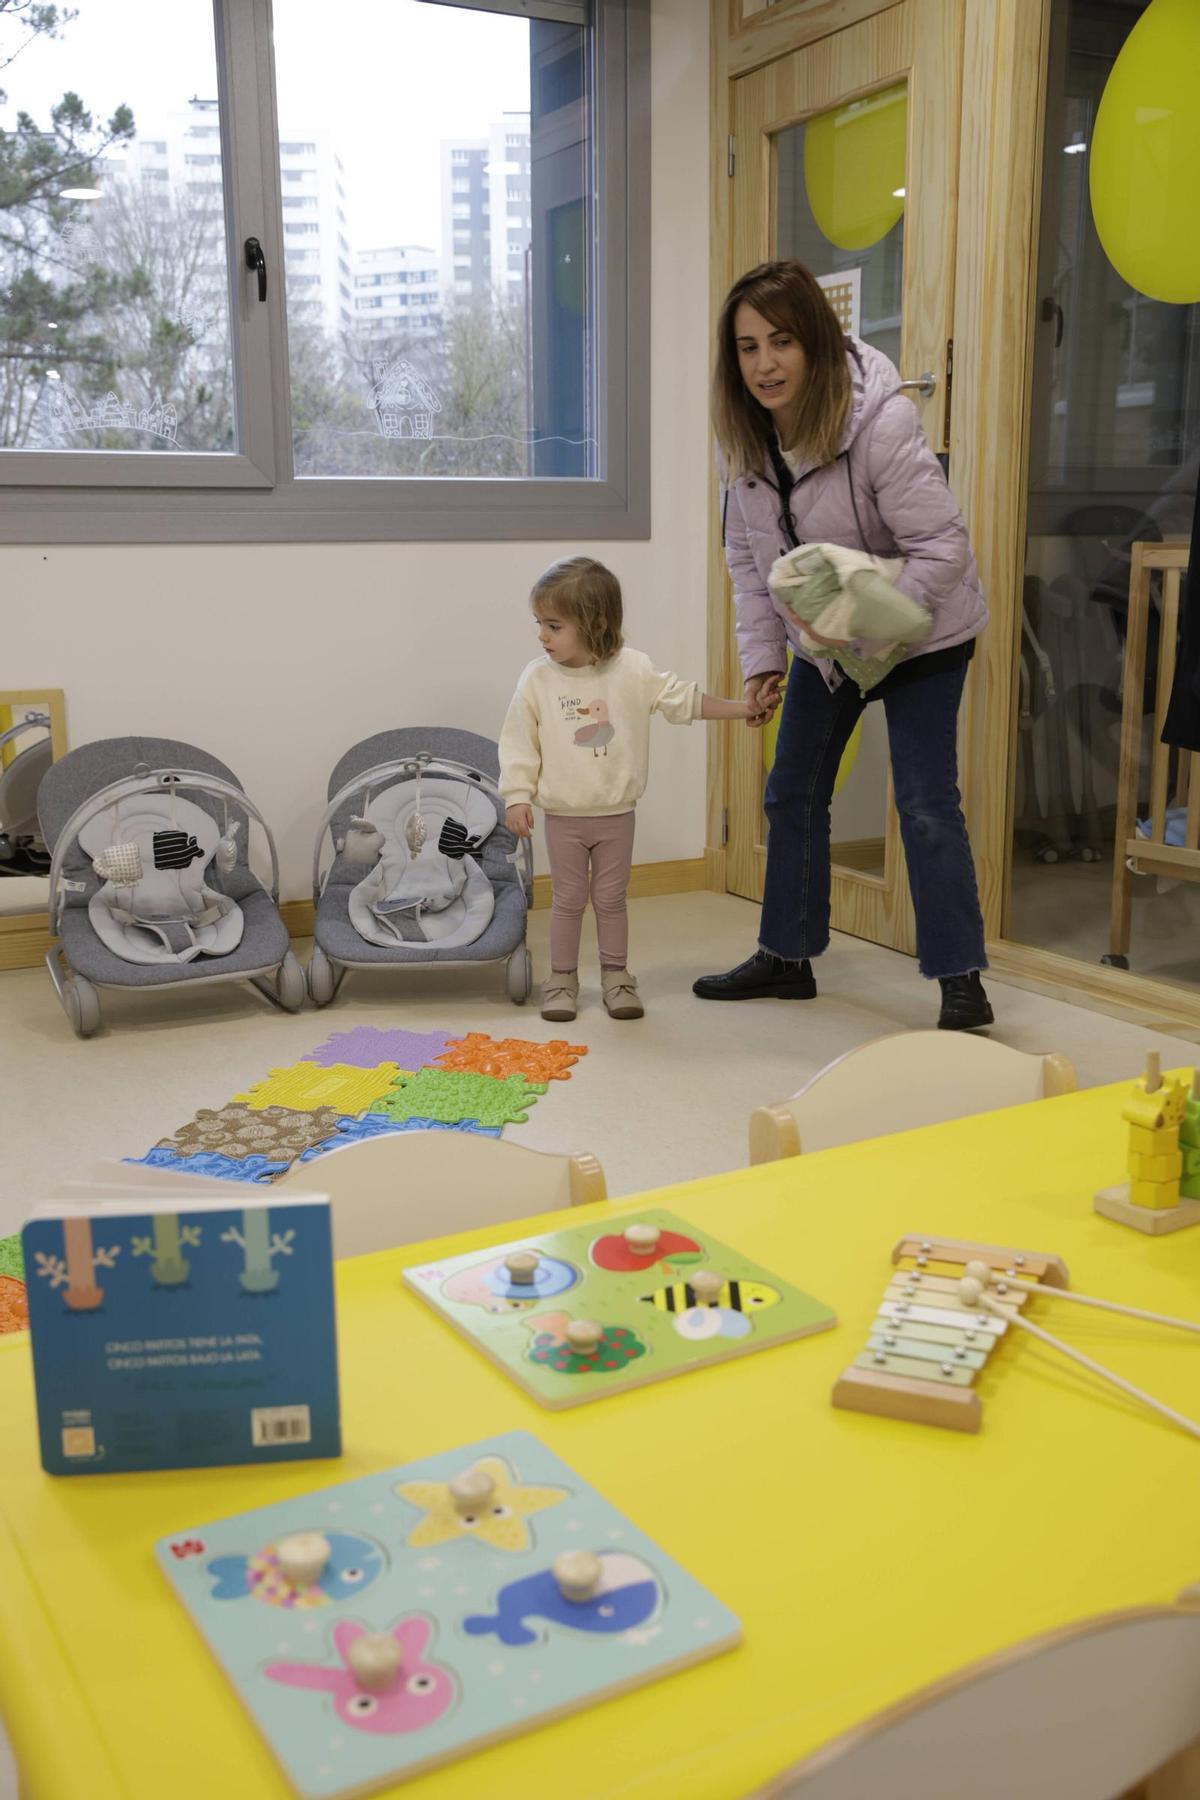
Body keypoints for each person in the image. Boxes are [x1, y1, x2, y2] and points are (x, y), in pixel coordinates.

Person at [693, 259, 993, 1031]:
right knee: (791, 791)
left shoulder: (881, 423)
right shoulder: (745, 445)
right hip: (827, 647)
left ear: (816, 342)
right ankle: (787, 957)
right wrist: (764, 660)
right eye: (748, 347)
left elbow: (943, 549)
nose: (764, 363)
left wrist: (862, 620)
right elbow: (749, 568)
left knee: (926, 802)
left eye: (782, 341)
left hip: (924, 634)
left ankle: (960, 978)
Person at [500, 555, 764, 1023]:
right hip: (564, 815)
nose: (542, 635)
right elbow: (519, 740)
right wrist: (517, 795)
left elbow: (685, 701)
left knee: (610, 899)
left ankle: (617, 976)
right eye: (539, 623)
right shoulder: (536, 678)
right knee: (566, 899)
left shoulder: (633, 669)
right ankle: (561, 978)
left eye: (554, 625)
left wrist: (742, 709)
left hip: (616, 814)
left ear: (595, 623)